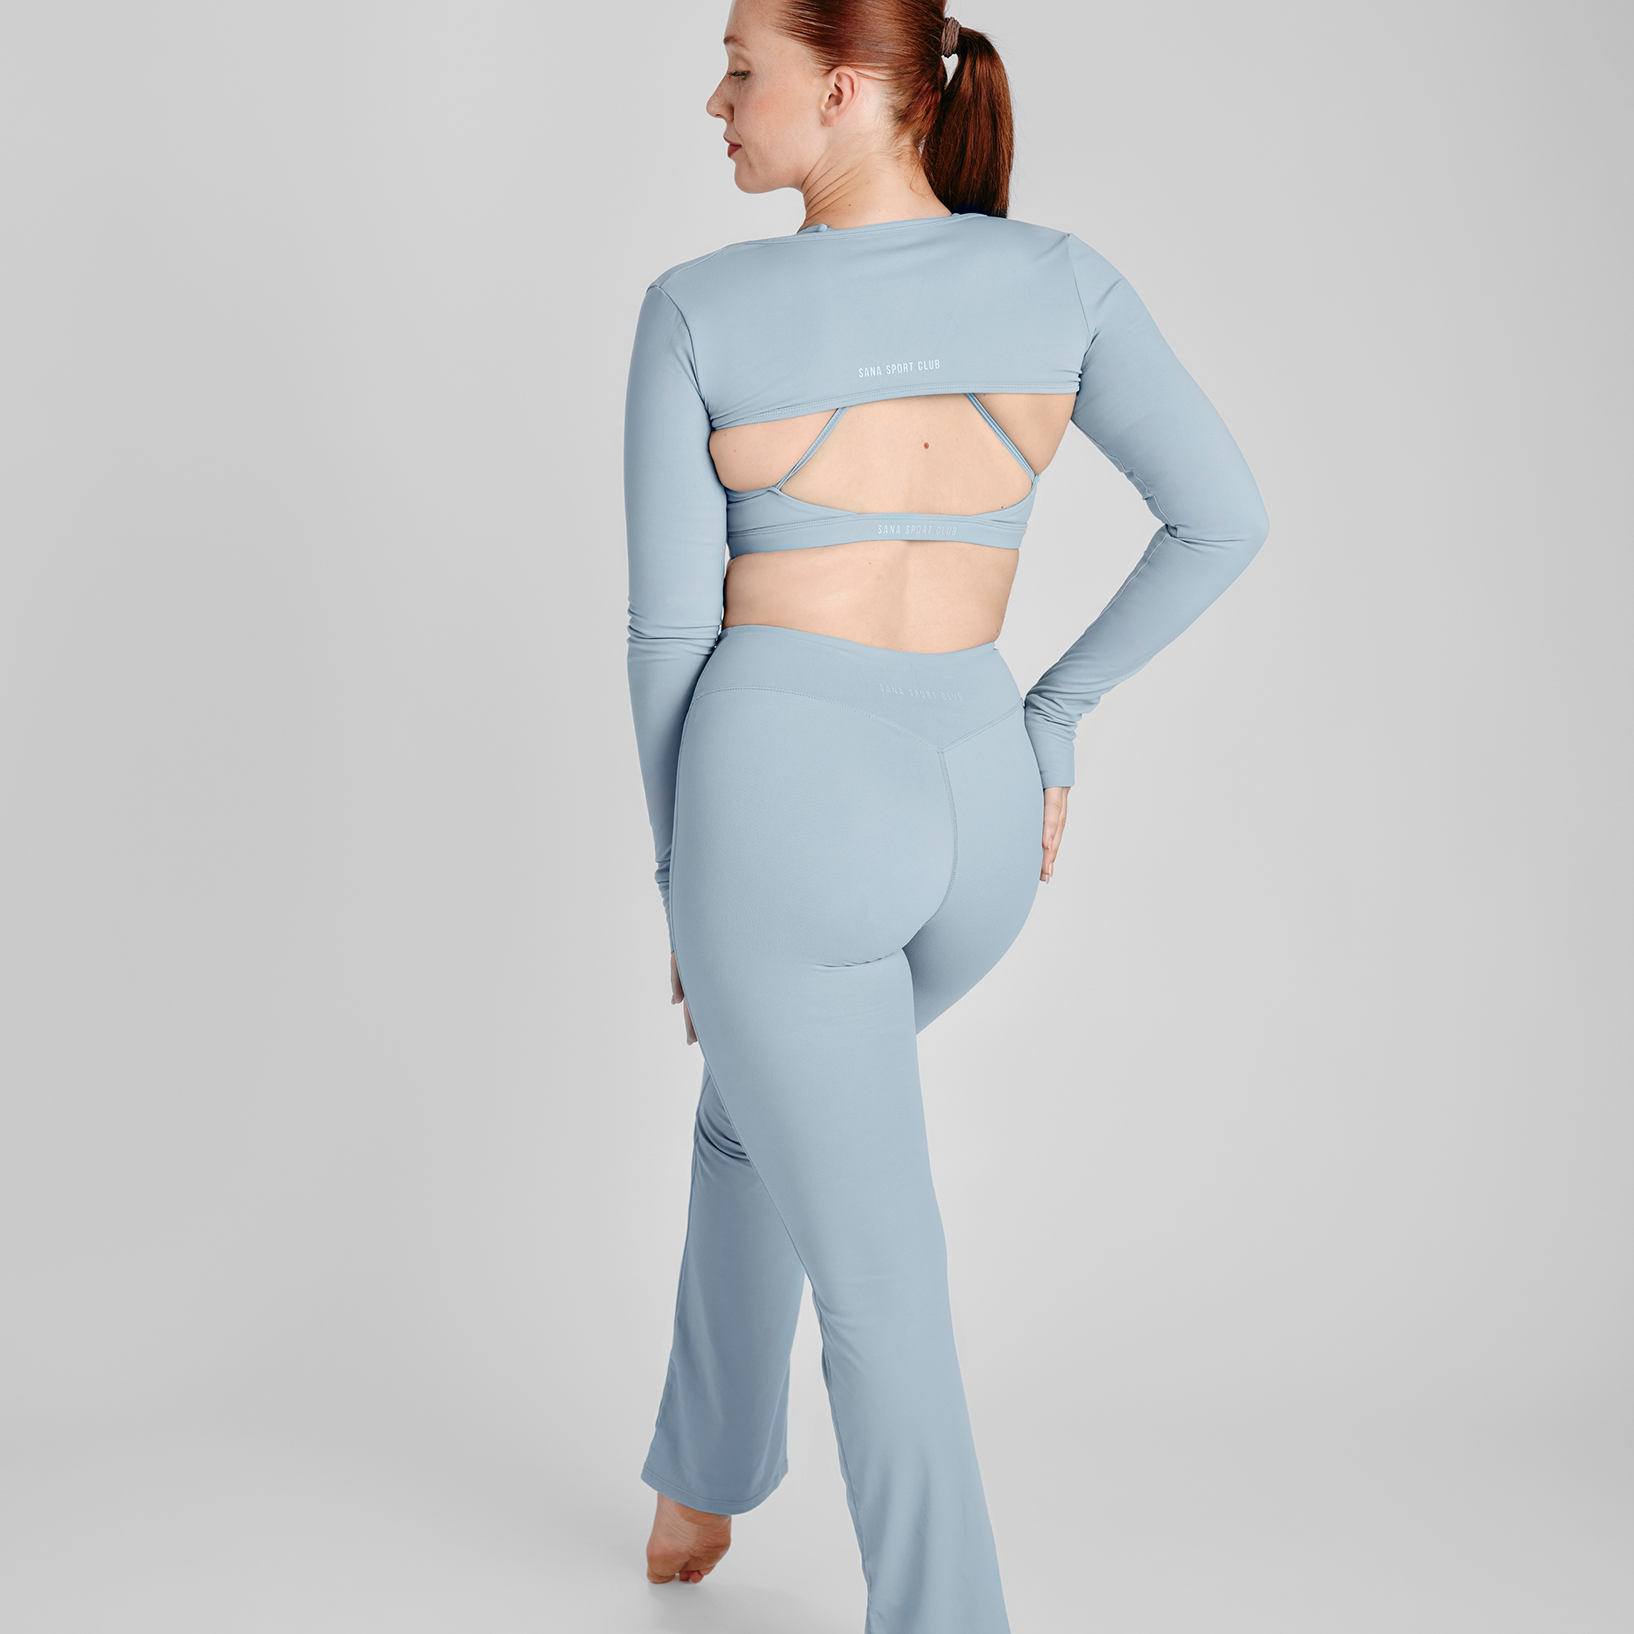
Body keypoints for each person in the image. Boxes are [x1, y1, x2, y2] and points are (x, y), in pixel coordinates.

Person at [622, 1, 1268, 1628]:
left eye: (743, 67)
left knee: (879, 1283)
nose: (715, 98)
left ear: (846, 89)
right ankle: (703, 1472)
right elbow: (1222, 516)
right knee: (760, 1111)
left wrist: (685, 876)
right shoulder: (1061, 282)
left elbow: (668, 636)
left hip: (788, 812)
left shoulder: (698, 308)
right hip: (980, 803)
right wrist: (1050, 717)